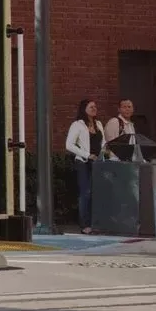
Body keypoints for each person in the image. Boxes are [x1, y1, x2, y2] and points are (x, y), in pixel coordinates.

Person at [65, 98, 101, 233]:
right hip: (83, 162)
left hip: (98, 163)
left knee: (96, 192)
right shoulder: (77, 125)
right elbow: (69, 145)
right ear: (84, 109)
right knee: (85, 192)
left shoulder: (98, 124)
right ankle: (84, 224)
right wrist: (86, 154)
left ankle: (96, 222)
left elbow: (103, 143)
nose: (94, 108)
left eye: (95, 106)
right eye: (91, 106)